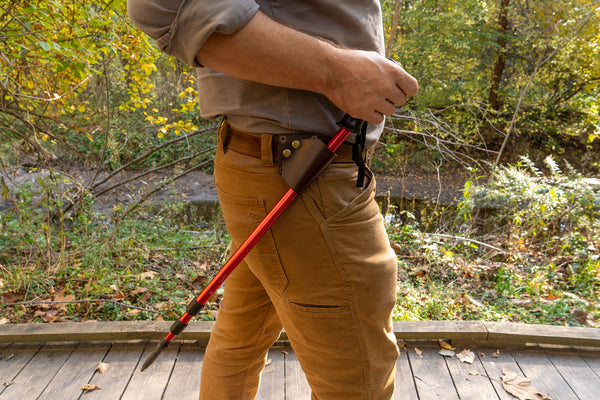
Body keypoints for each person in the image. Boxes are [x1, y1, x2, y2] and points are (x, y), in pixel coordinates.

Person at [127, 1, 418, 399]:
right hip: (302, 178)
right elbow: (159, 6)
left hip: (286, 170)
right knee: (358, 385)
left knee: (240, 340)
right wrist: (335, 72)